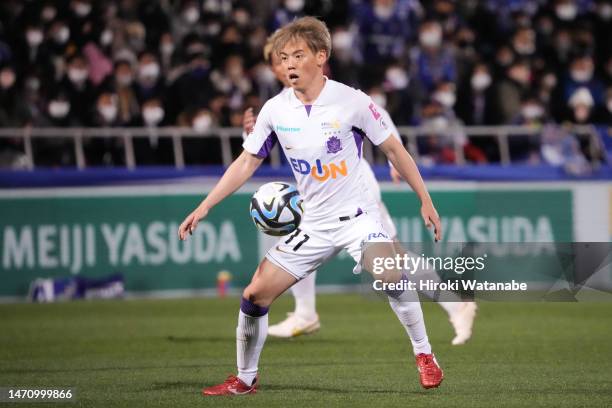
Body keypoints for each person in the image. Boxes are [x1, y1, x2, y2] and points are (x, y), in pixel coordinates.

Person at [178, 17, 444, 395]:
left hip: (357, 218)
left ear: (321, 56)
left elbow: (394, 150)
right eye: (283, 57)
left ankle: (424, 354)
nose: (288, 64)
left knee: (389, 273)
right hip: (313, 223)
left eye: (298, 55)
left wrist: (425, 199)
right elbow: (246, 162)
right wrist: (204, 206)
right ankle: (245, 378)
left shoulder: (352, 101)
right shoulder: (275, 109)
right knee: (255, 294)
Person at [244, 33, 477, 344]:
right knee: (301, 236)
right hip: (322, 187)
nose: (279, 67)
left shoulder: (328, 91)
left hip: (354, 187)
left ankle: (454, 306)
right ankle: (305, 312)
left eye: (282, 59)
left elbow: (374, 112)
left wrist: (395, 151)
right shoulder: (283, 104)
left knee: (392, 257)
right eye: (276, 61)